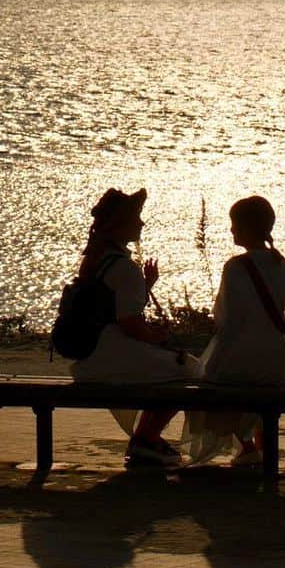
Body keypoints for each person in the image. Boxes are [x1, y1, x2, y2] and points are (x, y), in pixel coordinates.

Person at [70, 187, 196, 467]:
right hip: (108, 355)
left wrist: (144, 286)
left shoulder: (96, 259)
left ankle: (145, 438)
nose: (142, 223)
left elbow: (114, 307)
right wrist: (158, 337)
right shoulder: (123, 267)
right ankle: (146, 437)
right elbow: (131, 325)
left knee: (170, 366)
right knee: (185, 369)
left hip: (93, 353)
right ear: (121, 224)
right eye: (137, 218)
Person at [186, 195, 285, 466]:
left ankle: (246, 447)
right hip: (276, 364)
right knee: (255, 395)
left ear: (245, 228)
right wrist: (276, 326)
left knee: (210, 384)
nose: (231, 230)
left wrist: (212, 366)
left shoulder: (235, 267)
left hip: (240, 360)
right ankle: (258, 448)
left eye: (234, 224)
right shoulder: (281, 264)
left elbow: (229, 323)